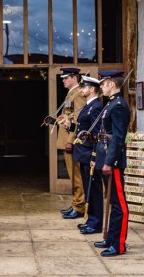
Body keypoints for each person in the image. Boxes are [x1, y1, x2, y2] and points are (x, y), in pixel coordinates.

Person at [94, 72, 130, 257]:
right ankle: (110, 238)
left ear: (112, 84)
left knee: (118, 203)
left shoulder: (118, 106)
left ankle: (119, 244)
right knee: (111, 200)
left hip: (113, 160)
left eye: (103, 83)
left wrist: (110, 161)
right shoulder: (110, 104)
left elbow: (117, 137)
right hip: (105, 155)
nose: (101, 86)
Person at [63, 75, 104, 234]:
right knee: (89, 189)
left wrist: (95, 155)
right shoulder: (89, 106)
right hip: (83, 153)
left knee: (94, 190)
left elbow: (96, 134)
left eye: (84, 87)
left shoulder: (96, 107)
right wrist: (71, 125)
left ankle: (96, 222)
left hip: (89, 153)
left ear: (92, 89)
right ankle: (91, 219)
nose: (81, 90)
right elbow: (83, 128)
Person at [56, 67, 87, 219]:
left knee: (76, 175)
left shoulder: (79, 93)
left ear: (74, 78)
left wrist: (70, 141)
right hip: (66, 138)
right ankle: (76, 203)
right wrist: (57, 119)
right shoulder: (71, 93)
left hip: (72, 140)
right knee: (72, 174)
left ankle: (80, 206)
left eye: (66, 78)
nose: (63, 80)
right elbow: (68, 115)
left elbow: (78, 119)